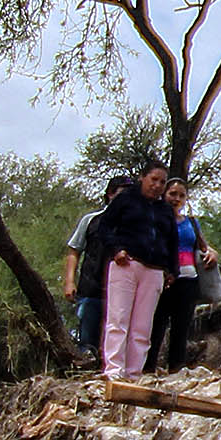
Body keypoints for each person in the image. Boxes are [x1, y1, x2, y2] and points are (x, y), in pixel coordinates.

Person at [92, 161, 177, 381]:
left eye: (162, 182)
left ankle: (133, 373)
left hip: (154, 270)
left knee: (142, 325)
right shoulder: (126, 200)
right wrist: (116, 250)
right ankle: (113, 370)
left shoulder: (165, 211)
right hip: (126, 264)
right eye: (153, 180)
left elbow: (172, 242)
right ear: (143, 177)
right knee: (118, 318)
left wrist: (171, 270)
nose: (157, 185)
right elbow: (105, 227)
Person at [149, 179, 215, 373]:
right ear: (164, 195)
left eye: (181, 195)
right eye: (172, 194)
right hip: (161, 278)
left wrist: (212, 253)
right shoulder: (154, 218)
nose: (176, 199)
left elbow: (203, 246)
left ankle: (176, 371)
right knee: (156, 326)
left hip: (188, 280)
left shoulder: (191, 223)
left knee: (181, 328)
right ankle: (147, 369)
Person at [63, 176, 133, 358]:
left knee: (116, 342)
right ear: (110, 194)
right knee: (87, 344)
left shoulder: (136, 224)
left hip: (122, 293)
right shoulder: (91, 220)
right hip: (91, 291)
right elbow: (74, 250)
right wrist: (69, 282)